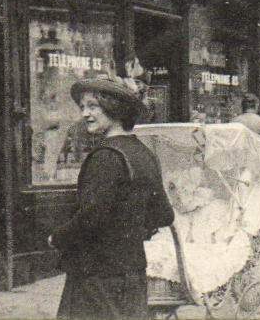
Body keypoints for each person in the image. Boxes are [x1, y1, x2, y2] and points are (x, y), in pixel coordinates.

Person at [51, 73, 175, 318]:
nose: (85, 114)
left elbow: (90, 220)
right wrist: (130, 228)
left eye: (93, 106)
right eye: (83, 107)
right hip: (133, 275)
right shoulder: (143, 153)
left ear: (115, 108)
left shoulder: (105, 157)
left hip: (96, 279)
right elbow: (164, 215)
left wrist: (57, 238)